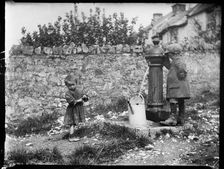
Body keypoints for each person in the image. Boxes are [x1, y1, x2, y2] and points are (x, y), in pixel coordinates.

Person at [160, 43, 190, 126]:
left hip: (176, 86)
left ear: (174, 53)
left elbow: (182, 69)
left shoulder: (178, 61)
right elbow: (170, 67)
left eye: (169, 54)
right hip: (178, 86)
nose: (168, 55)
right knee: (180, 101)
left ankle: (172, 119)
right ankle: (181, 118)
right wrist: (165, 59)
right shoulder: (175, 61)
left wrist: (180, 77)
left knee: (173, 100)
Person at [63, 73, 89, 142]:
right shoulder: (68, 93)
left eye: (73, 84)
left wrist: (85, 97)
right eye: (69, 85)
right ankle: (71, 136)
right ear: (66, 86)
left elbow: (84, 97)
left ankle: (76, 134)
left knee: (76, 122)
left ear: (76, 84)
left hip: (78, 109)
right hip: (72, 110)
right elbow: (71, 101)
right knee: (72, 123)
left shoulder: (79, 91)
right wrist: (79, 100)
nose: (71, 87)